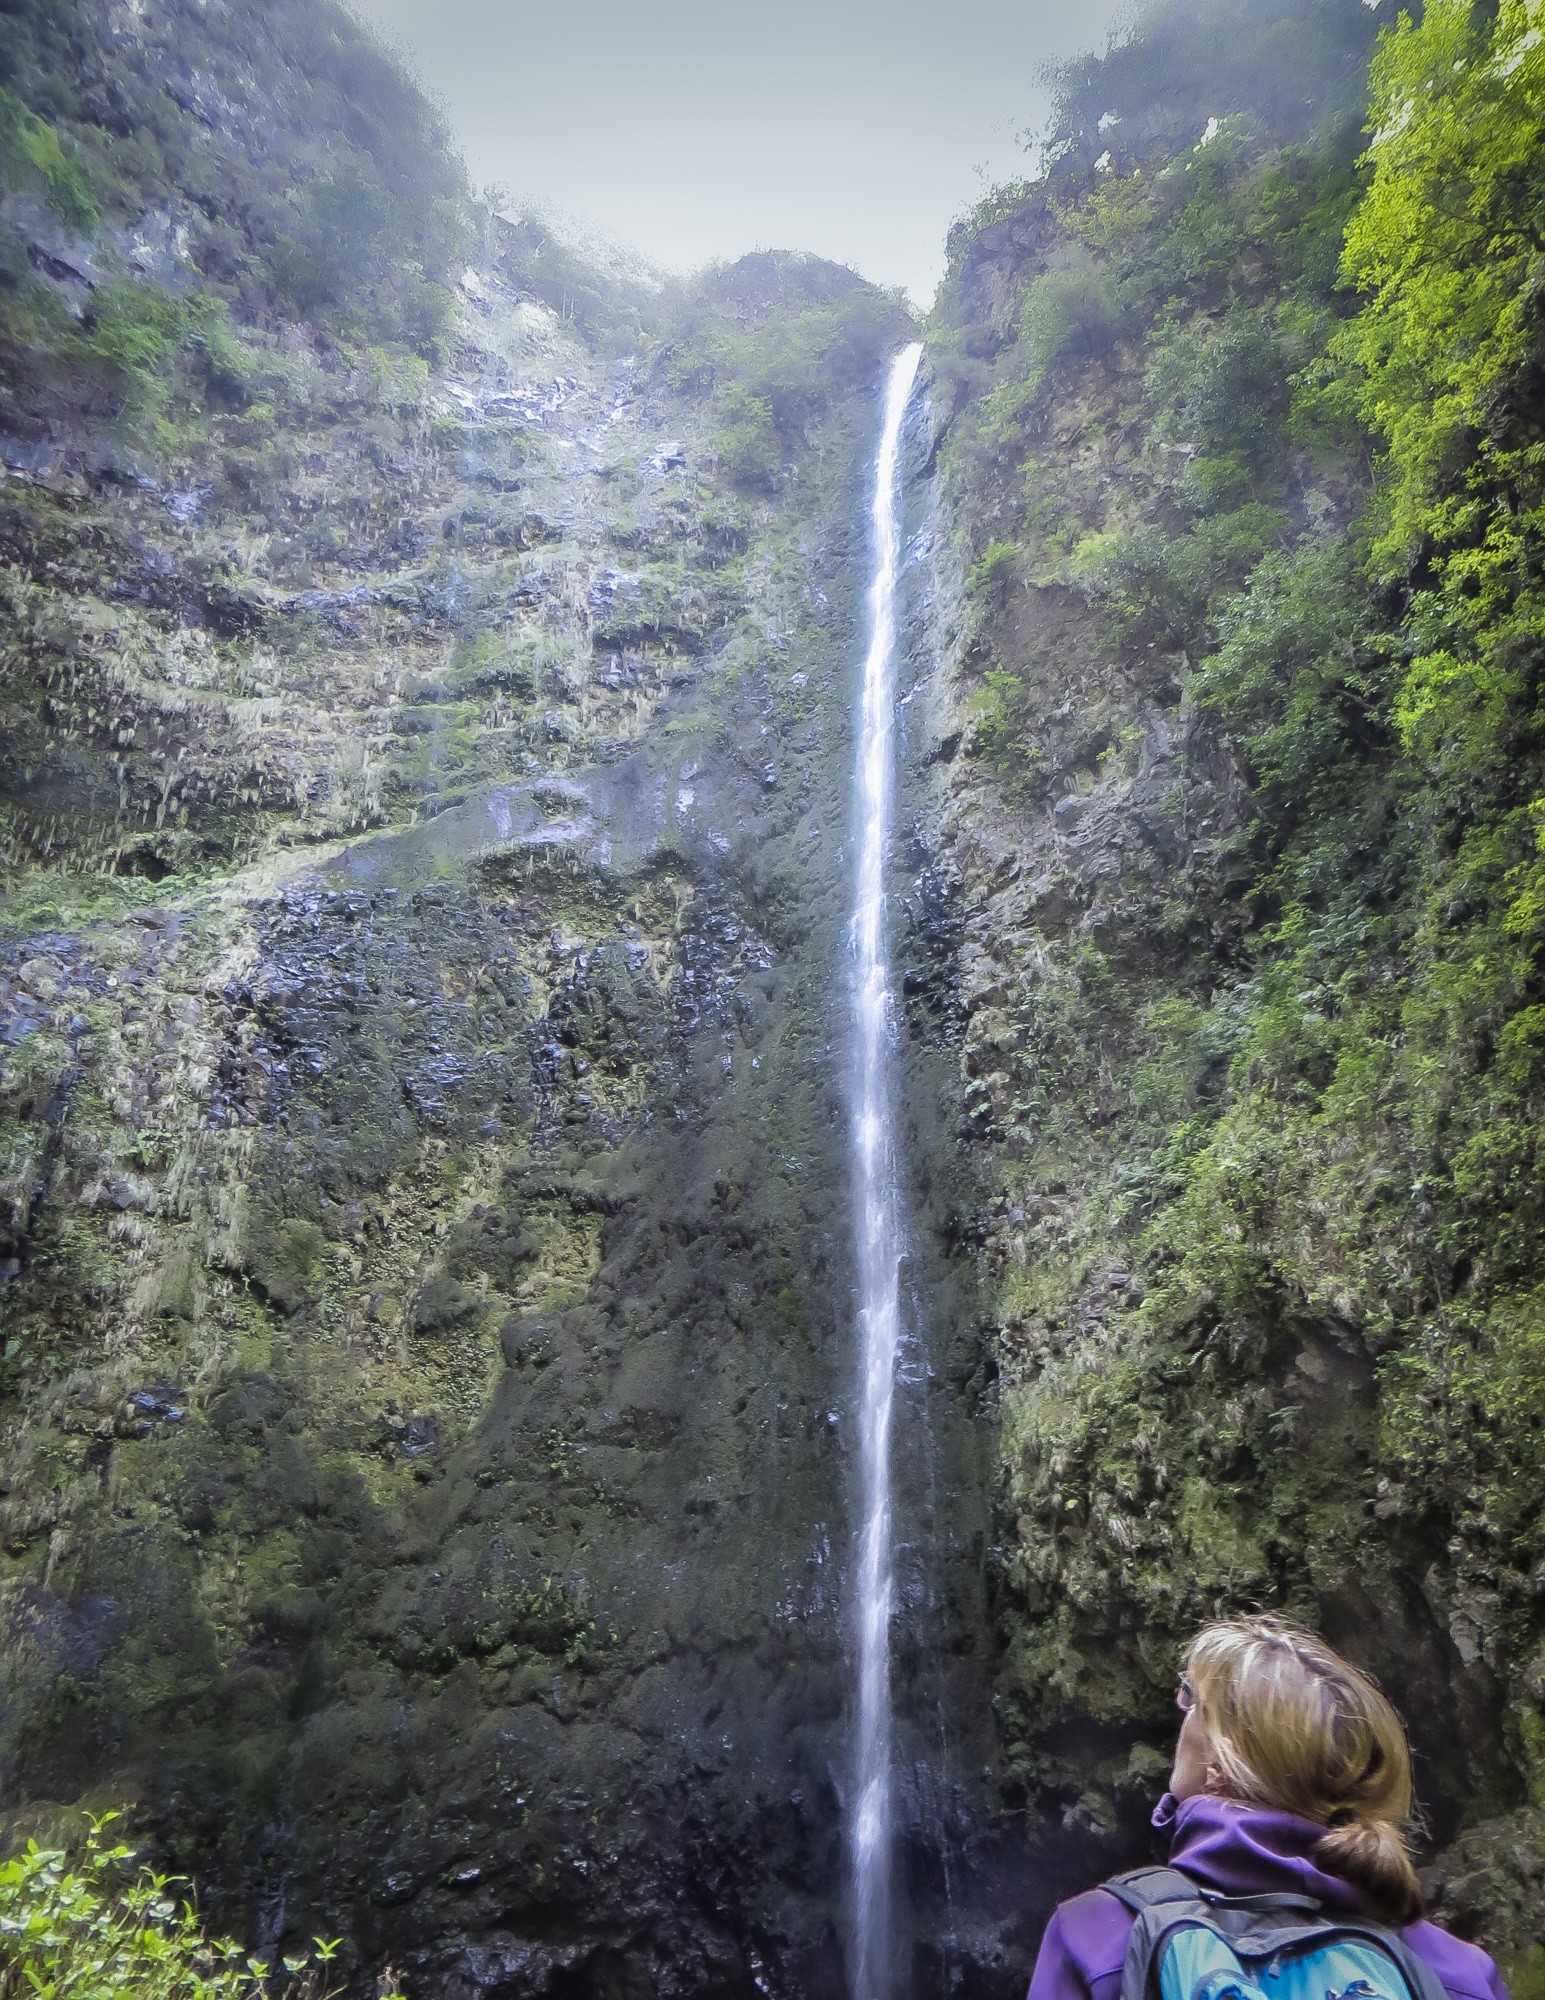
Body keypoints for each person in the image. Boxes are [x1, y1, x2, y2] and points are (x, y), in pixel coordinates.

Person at [1027, 1614, 1510, 2000]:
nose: (1180, 1708)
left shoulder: (1094, 1934)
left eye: (1188, 1697)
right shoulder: (1458, 1972)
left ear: (1218, 1763)